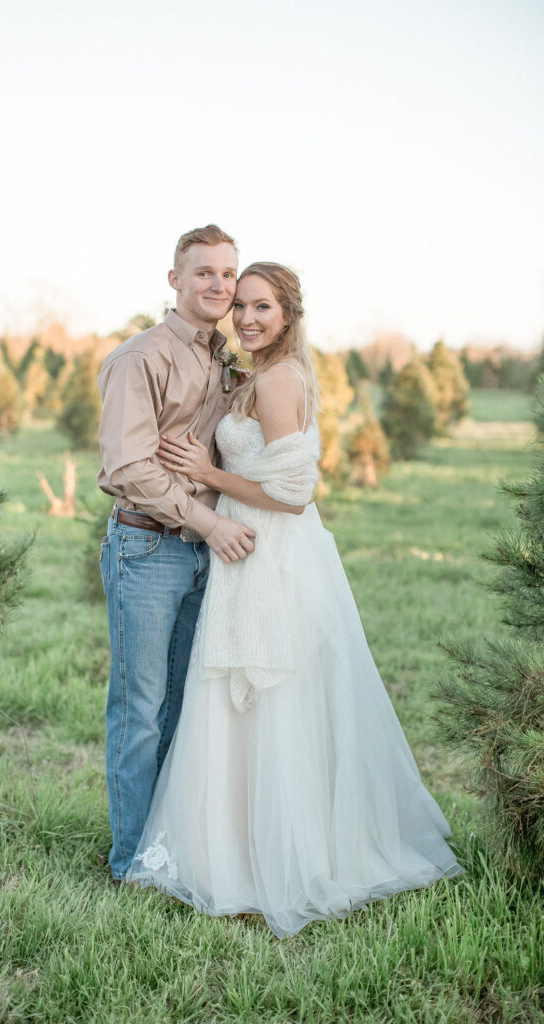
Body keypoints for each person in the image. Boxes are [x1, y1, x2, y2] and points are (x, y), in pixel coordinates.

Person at [127, 262, 463, 937]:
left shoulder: (279, 380)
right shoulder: (257, 375)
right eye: (241, 308)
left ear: (288, 317)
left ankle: (274, 857)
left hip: (270, 553)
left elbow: (292, 492)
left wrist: (208, 473)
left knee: (270, 697)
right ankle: (242, 847)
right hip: (251, 550)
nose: (247, 318)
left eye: (262, 309)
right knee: (248, 699)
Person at [97, 225, 256, 883]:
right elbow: (128, 467)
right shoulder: (141, 358)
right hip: (149, 547)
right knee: (140, 709)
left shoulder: (224, 358)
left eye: (227, 274)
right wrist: (207, 522)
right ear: (173, 279)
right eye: (203, 273)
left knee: (185, 708)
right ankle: (133, 858)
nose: (218, 285)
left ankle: (173, 838)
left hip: (202, 555)